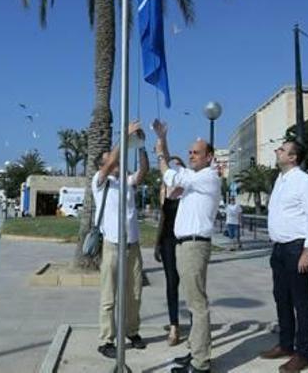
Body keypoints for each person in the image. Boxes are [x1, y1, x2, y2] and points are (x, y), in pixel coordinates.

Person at [153, 119, 219, 373]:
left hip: (194, 245)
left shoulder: (207, 178)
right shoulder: (195, 177)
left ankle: (200, 363)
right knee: (193, 302)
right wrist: (164, 140)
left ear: (209, 156)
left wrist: (159, 153)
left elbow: (170, 173)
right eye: (190, 152)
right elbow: (175, 172)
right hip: (184, 245)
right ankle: (195, 352)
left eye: (196, 152)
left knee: (197, 305)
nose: (191, 155)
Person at [259, 140, 308, 372]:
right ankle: (286, 344)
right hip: (279, 248)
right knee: (281, 297)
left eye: (282, 149)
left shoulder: (306, 182)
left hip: (297, 249)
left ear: (293, 157)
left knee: (301, 302)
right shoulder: (280, 180)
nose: (277, 151)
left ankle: (302, 354)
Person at [94, 121, 149, 359]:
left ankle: (132, 331)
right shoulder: (100, 182)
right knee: (109, 297)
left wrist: (140, 145)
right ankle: (106, 339)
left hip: (133, 246)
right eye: (111, 161)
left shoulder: (126, 182)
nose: (116, 163)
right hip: (112, 246)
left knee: (134, 294)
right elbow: (108, 163)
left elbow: (143, 171)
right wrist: (124, 138)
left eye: (117, 161)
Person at [153, 156, 186, 346]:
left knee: (189, 284)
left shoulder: (188, 189)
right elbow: (163, 218)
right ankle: (174, 325)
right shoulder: (164, 190)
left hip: (183, 241)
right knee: (171, 283)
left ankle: (194, 324)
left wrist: (181, 163)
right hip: (167, 241)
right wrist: (157, 243)